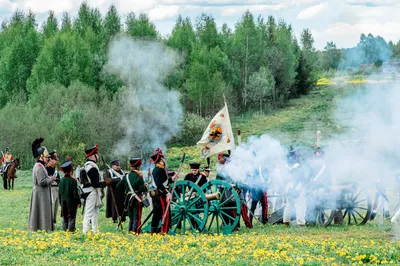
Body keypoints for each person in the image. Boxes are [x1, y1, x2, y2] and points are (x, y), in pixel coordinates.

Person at [28, 138, 56, 231]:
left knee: (43, 212)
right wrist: (51, 179)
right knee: (42, 212)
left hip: (41, 193)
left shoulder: (41, 165)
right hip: (40, 193)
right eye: (46, 156)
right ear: (41, 156)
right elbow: (42, 181)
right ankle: (43, 227)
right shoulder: (39, 167)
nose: (48, 158)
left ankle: (44, 227)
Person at [149, 148, 178, 234]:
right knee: (160, 215)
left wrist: (173, 178)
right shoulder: (159, 169)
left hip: (161, 195)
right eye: (163, 158)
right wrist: (168, 193)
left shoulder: (159, 169)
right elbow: (159, 185)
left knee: (158, 215)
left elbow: (164, 182)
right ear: (161, 159)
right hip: (160, 196)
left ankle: (157, 232)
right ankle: (159, 232)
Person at [81, 144, 109, 234]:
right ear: (93, 156)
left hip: (90, 191)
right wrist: (105, 183)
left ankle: (95, 231)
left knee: (95, 212)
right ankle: (85, 232)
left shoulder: (88, 166)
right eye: (96, 155)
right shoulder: (92, 167)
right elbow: (95, 184)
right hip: (91, 191)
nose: (98, 156)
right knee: (89, 213)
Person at [117, 157, 147, 233]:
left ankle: (130, 231)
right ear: (138, 166)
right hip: (137, 199)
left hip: (128, 198)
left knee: (131, 217)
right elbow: (142, 189)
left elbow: (118, 186)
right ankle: (135, 232)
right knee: (137, 216)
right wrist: (145, 187)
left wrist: (127, 191)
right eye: (140, 166)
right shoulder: (139, 176)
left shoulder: (126, 176)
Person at [283, 146, 308, 227]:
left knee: (289, 205)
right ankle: (301, 223)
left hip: (287, 187)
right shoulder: (297, 164)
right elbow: (300, 177)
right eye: (299, 152)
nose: (300, 153)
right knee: (300, 205)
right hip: (297, 186)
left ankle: (286, 221)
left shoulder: (287, 165)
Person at [59, 158, 81, 232]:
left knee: (65, 217)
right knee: (72, 217)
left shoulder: (61, 180)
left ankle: (64, 230)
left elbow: (59, 193)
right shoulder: (73, 181)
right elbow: (75, 194)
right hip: (71, 203)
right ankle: (71, 230)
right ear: (71, 171)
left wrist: (60, 202)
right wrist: (78, 202)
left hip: (63, 202)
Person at [105, 160, 126, 224]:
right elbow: (107, 180)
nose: (118, 167)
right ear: (113, 166)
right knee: (113, 205)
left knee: (122, 204)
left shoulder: (122, 172)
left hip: (121, 191)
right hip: (113, 191)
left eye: (119, 165)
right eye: (117, 165)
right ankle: (114, 218)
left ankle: (123, 218)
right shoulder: (109, 172)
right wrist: (118, 179)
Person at [46, 151, 60, 229]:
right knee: (52, 206)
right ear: (50, 159)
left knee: (56, 207)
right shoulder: (47, 168)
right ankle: (49, 224)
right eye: (55, 159)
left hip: (57, 188)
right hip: (51, 188)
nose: (56, 161)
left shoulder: (55, 169)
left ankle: (53, 223)